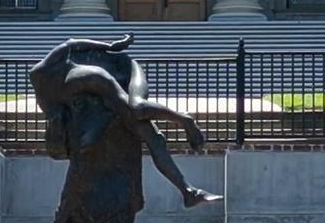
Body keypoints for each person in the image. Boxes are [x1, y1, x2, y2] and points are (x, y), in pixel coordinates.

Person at [28, 34, 220, 209]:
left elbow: (71, 43)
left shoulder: (44, 75)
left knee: (137, 108)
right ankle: (188, 192)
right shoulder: (67, 105)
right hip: (109, 92)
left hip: (126, 70)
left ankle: (184, 119)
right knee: (150, 135)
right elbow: (105, 115)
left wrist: (111, 46)